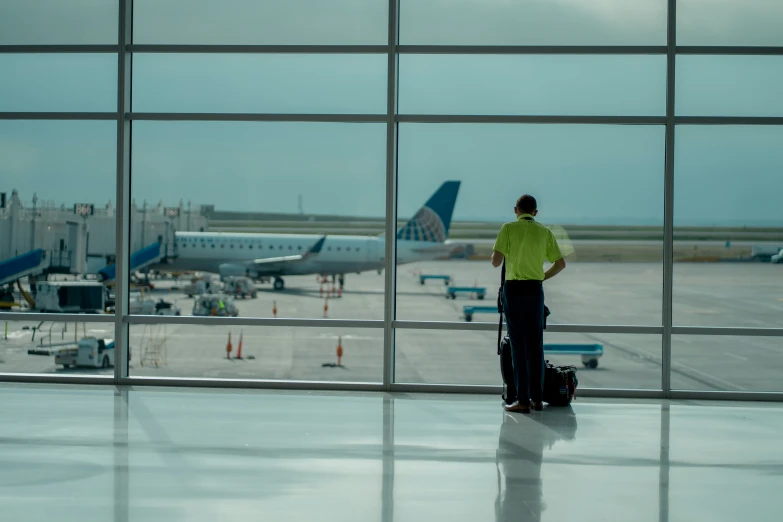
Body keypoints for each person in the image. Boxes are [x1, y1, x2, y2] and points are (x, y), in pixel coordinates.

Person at [492, 195, 566, 414]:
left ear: (516, 210)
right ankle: (537, 399)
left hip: (513, 290)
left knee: (517, 346)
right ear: (535, 212)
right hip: (535, 290)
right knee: (535, 346)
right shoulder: (544, 231)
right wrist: (542, 277)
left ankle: (522, 401)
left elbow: (496, 262)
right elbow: (560, 264)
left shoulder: (508, 229)